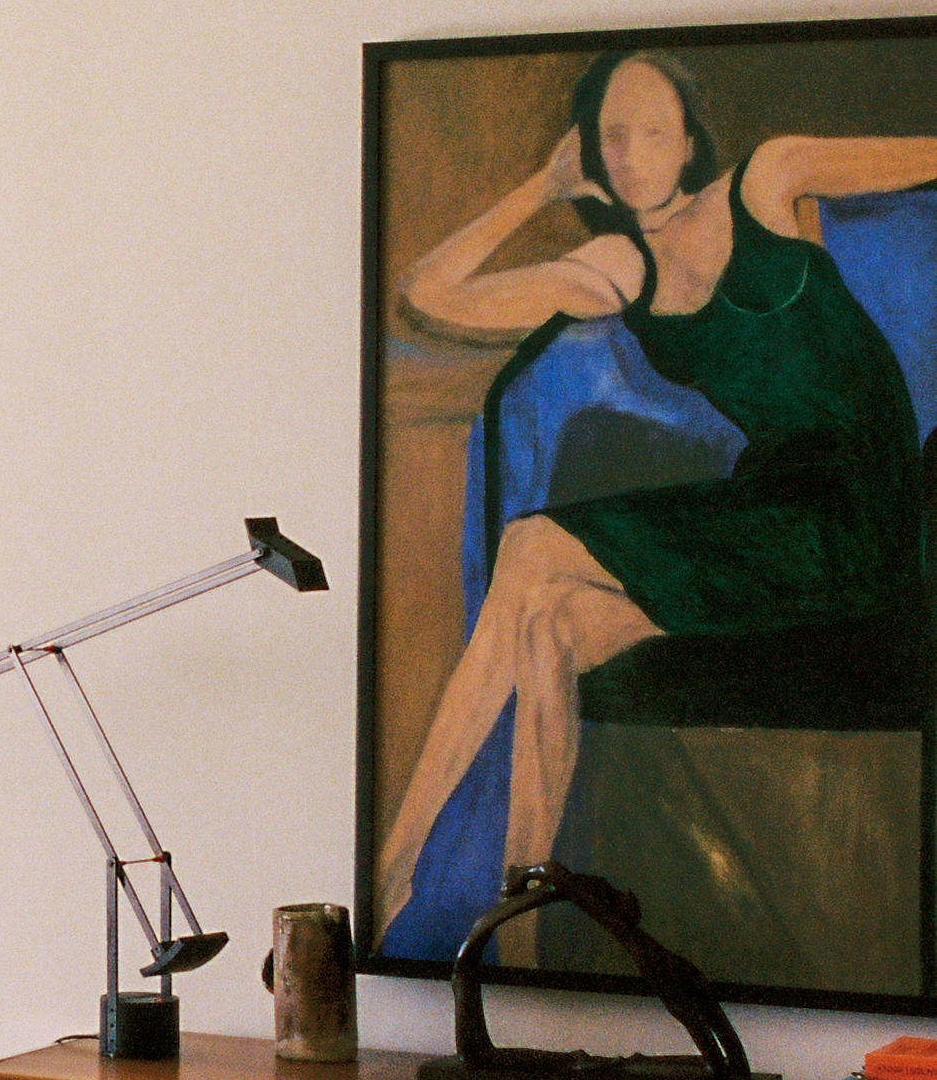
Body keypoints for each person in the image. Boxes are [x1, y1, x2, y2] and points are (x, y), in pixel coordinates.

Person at [375, 47, 937, 934]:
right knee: (550, 625)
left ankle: (396, 866)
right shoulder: (617, 266)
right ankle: (519, 902)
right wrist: (540, 187)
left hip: (857, 509)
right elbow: (427, 293)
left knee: (529, 547)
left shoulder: (769, 178)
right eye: (612, 137)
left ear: (689, 143)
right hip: (767, 511)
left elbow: (929, 153)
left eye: (652, 132)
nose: (632, 154)